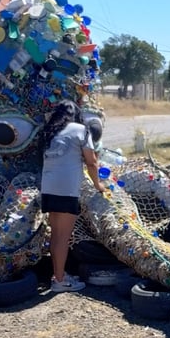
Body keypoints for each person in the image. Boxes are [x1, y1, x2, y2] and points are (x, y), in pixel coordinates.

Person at [40, 100, 107, 293]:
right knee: (63, 237)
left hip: (49, 188)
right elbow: (92, 162)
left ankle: (58, 274)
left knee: (56, 235)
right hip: (66, 189)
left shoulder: (50, 132)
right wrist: (98, 185)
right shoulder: (80, 130)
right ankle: (60, 281)